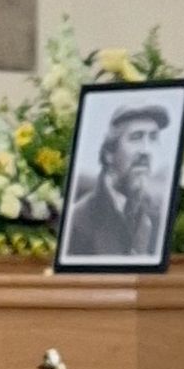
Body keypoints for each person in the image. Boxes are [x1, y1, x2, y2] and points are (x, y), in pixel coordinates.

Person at [65, 101, 170, 257]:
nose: (146, 150)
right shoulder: (78, 221)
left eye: (153, 138)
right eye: (136, 137)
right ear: (109, 153)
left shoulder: (159, 218)